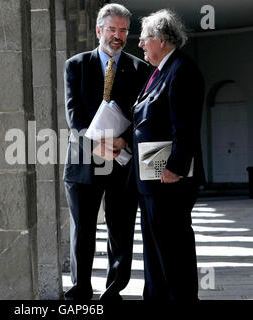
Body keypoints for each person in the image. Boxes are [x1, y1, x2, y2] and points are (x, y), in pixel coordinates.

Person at [63, 3, 149, 300]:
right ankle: (80, 290)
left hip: (122, 163)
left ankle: (113, 291)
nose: (118, 35)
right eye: (112, 29)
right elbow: (74, 114)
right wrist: (95, 143)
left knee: (121, 230)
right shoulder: (76, 65)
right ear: (99, 30)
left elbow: (142, 116)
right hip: (84, 160)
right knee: (83, 230)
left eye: (123, 30)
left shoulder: (141, 69)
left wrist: (124, 140)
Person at [132, 9, 206, 300]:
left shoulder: (182, 70)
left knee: (173, 254)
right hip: (152, 180)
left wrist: (174, 167)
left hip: (169, 180)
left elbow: (184, 125)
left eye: (144, 39)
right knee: (156, 254)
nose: (140, 45)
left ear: (161, 39)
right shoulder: (162, 71)